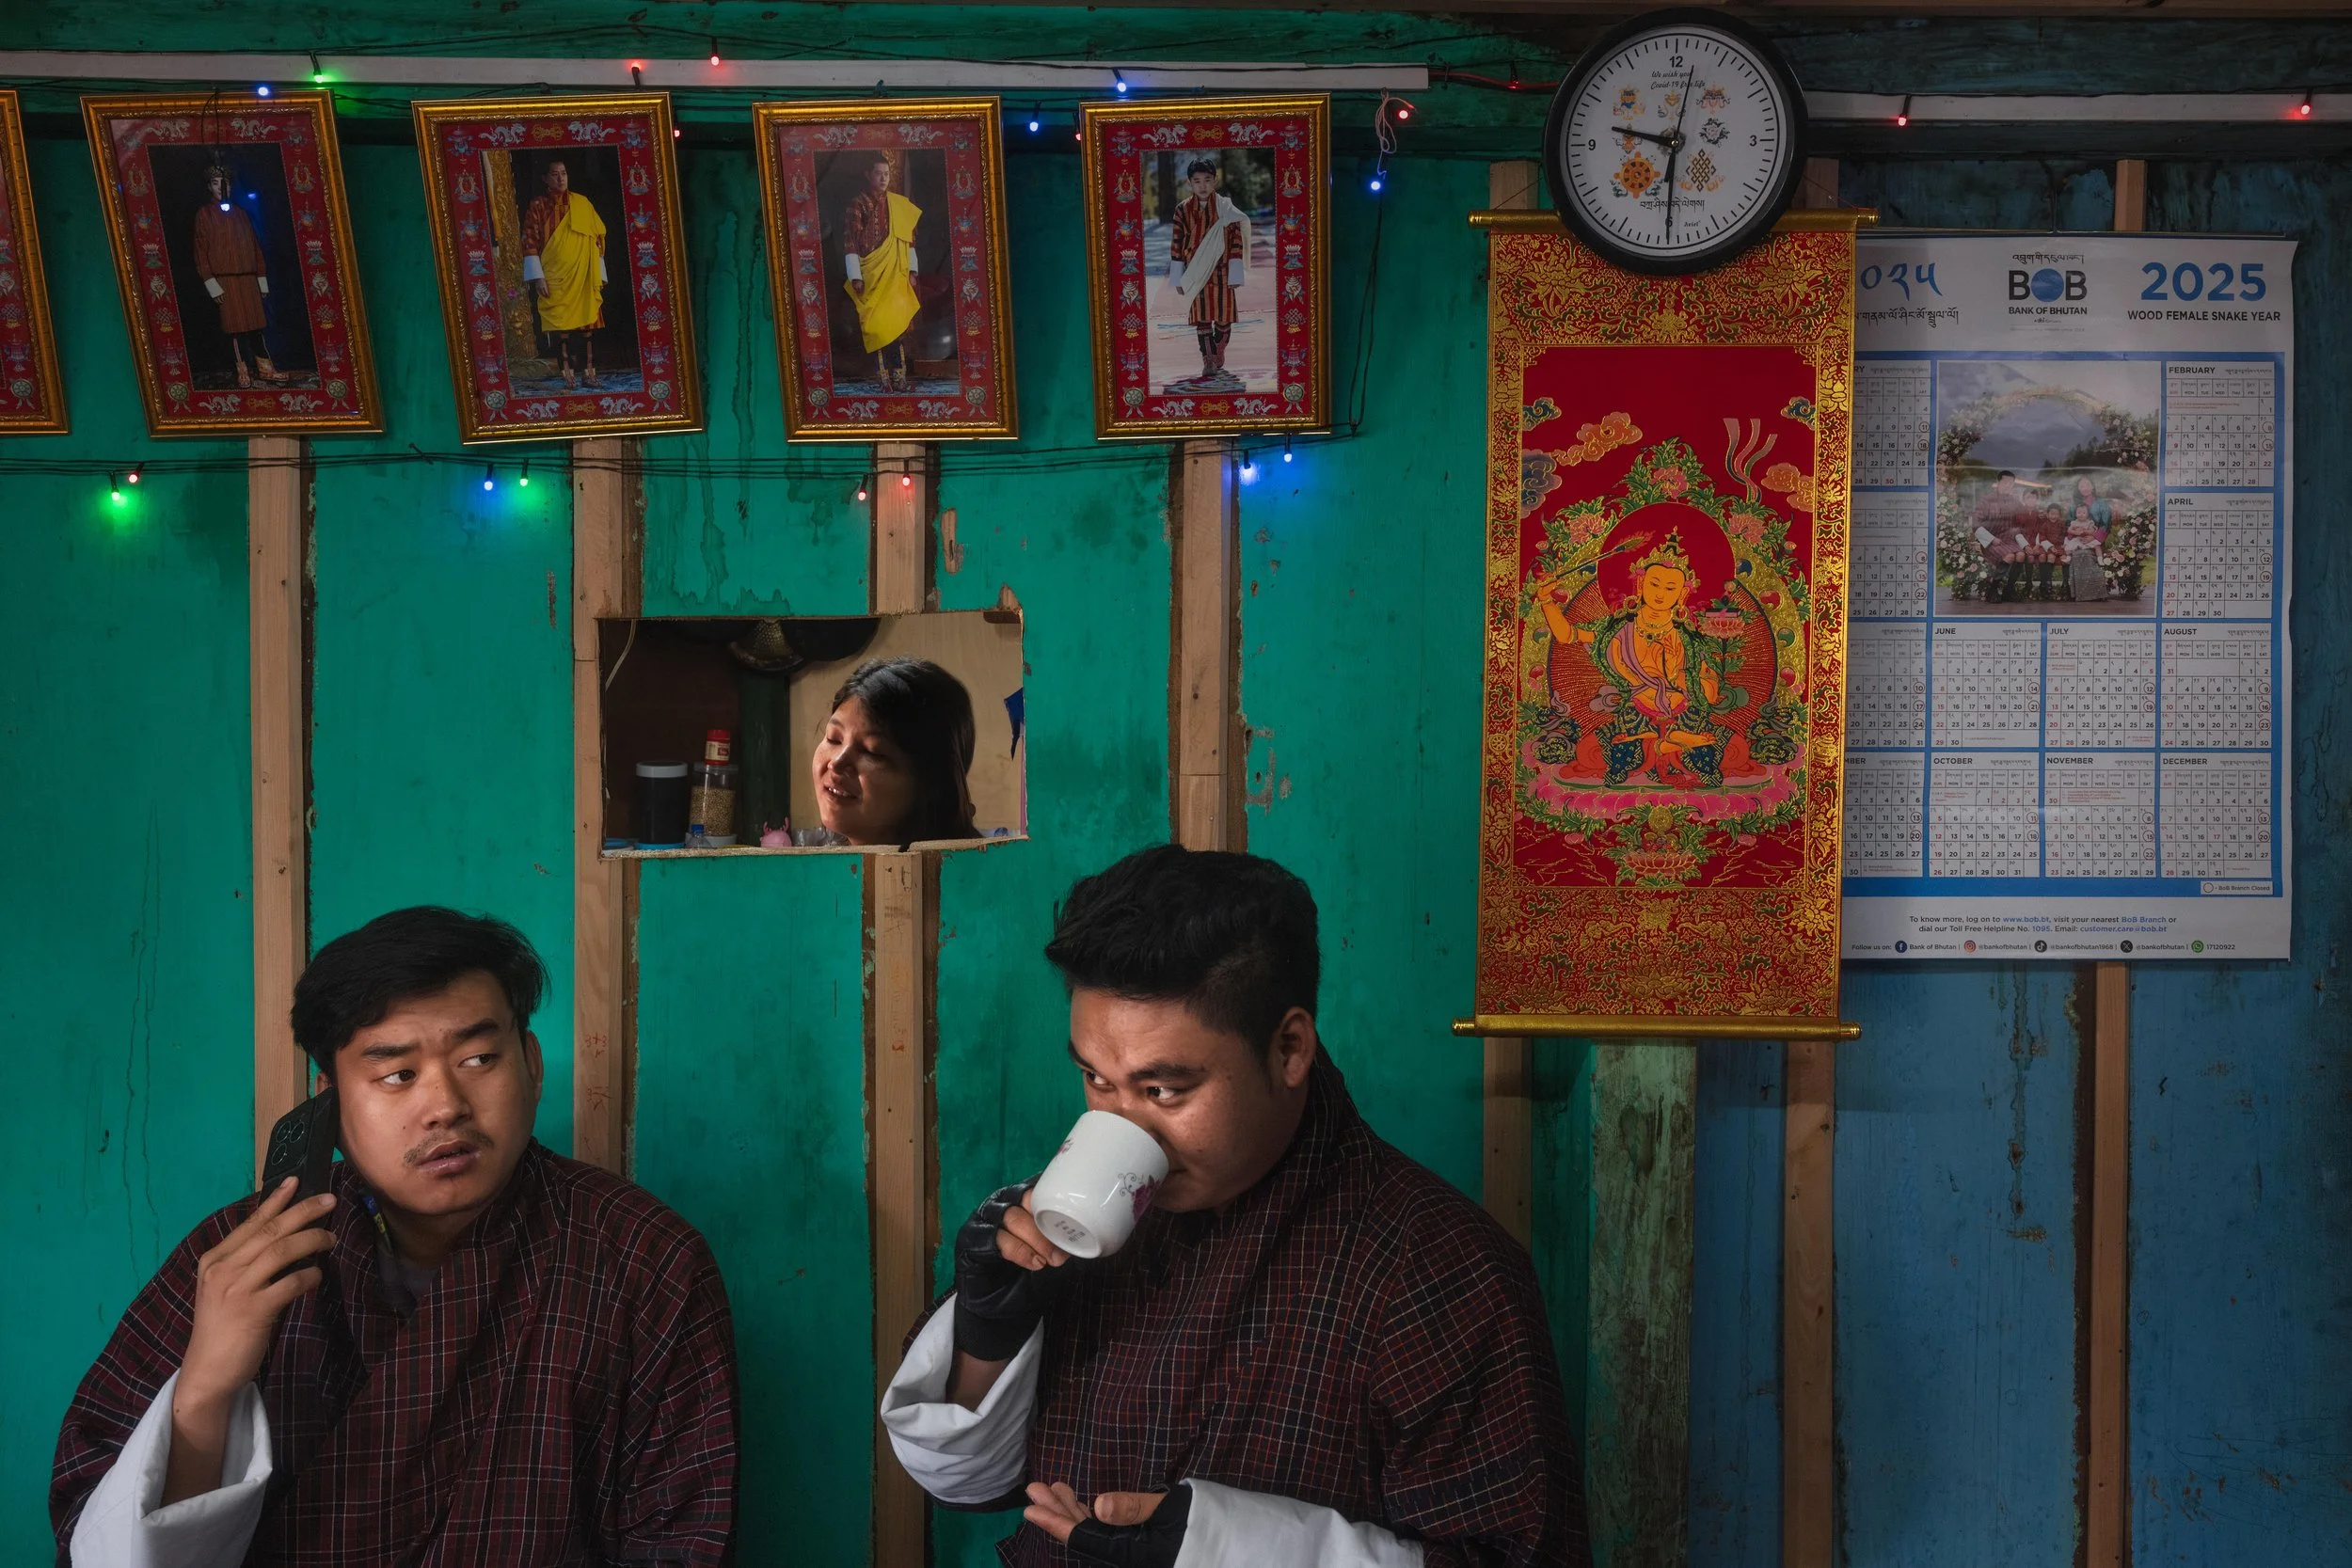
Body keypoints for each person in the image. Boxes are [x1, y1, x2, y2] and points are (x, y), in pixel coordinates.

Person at [880, 847, 1587, 1567]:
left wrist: (1227, 1546)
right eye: (1095, 1077)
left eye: (1163, 1090)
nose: (1125, 1129)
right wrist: (986, 1333)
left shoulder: (1439, 1272)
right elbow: (971, 1485)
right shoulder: (1078, 1222)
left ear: (1288, 1048)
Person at [52, 908, 738, 1565]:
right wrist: (205, 1387)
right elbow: (100, 1535)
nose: (444, 1106)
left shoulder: (645, 1260)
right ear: (332, 1102)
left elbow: (679, 1540)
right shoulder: (244, 1252)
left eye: (477, 1058)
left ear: (531, 1063)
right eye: (397, 1074)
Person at [807, 656, 980, 846]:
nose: (837, 763)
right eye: (834, 738)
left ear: (929, 786)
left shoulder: (959, 873)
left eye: (872, 752)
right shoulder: (828, 870)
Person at [192, 162, 288, 388]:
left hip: (247, 279)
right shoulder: (204, 215)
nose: (220, 188)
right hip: (226, 280)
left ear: (231, 186)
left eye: (224, 183)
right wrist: (212, 284)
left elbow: (255, 247)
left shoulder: (242, 214)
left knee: (256, 326)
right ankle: (242, 368)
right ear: (209, 187)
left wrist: (261, 279)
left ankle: (266, 369)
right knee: (234, 328)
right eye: (215, 184)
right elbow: (201, 253)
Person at [520, 159, 608, 389]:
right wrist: (538, 277)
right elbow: (529, 240)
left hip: (584, 274)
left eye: (564, 174)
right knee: (563, 331)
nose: (561, 178)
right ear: (545, 179)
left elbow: (596, 240)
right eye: (555, 174)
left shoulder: (582, 203)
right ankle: (567, 375)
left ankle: (590, 373)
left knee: (588, 327)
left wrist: (599, 273)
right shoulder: (539, 205)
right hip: (555, 275)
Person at [1164, 157, 1248, 392]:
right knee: (1201, 318)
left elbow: (1235, 240)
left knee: (1223, 318)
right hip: (1195, 271)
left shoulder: (1225, 208)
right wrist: (1178, 276)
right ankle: (1209, 360)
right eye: (1197, 181)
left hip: (1221, 270)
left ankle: (1219, 347)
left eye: (1207, 180)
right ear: (1189, 183)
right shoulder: (1182, 210)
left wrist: (1235, 273)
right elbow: (1177, 242)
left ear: (1215, 181)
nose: (1202, 185)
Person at [841, 153, 924, 393]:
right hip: (871, 273)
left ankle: (900, 378)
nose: (883, 178)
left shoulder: (898, 205)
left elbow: (908, 241)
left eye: (887, 174)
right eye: (878, 173)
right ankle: (883, 378)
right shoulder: (857, 205)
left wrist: (912, 270)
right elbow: (850, 242)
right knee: (877, 327)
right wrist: (855, 275)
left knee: (896, 327)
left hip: (896, 273)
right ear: (868, 175)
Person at [2065, 476, 2112, 602]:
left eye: (2087, 485)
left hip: (2096, 540)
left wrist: (2093, 536)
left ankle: (2096, 592)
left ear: (2092, 486)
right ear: (2078, 489)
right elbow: (2069, 523)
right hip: (2077, 539)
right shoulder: (2075, 505)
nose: (2085, 488)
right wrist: (2077, 534)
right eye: (2081, 486)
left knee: (2086, 553)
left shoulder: (2101, 503)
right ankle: (2081, 594)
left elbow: (2106, 524)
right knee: (2078, 553)